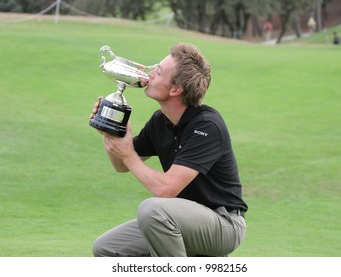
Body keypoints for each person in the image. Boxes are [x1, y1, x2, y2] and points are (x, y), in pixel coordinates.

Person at [90, 43, 248, 257]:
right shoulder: (160, 121)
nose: (150, 73)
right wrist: (111, 133)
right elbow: (121, 166)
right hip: (179, 219)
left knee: (152, 210)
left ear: (175, 89)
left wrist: (127, 154)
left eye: (159, 71)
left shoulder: (207, 126)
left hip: (223, 224)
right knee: (107, 248)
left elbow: (166, 189)